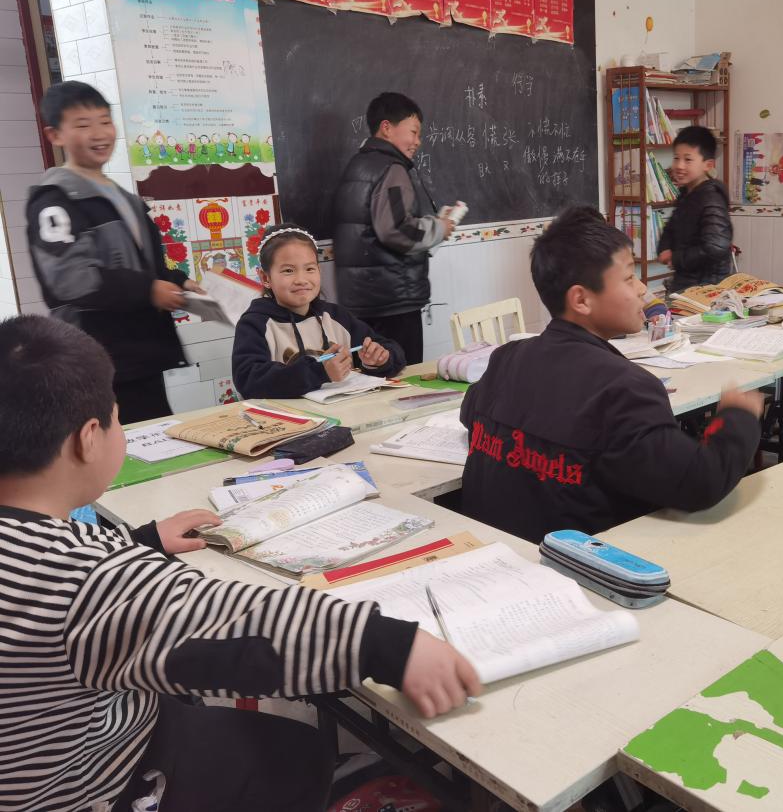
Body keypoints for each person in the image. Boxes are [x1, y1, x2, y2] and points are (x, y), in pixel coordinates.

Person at [0, 314, 479, 812]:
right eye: (117, 419)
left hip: (46, 753)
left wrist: (140, 540)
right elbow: (230, 620)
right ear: (88, 438)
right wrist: (388, 644)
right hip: (96, 780)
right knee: (297, 755)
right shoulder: (82, 578)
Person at [458, 206, 763, 542]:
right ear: (581, 300)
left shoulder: (506, 359)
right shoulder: (624, 389)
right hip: (580, 566)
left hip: (495, 555)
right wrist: (737, 417)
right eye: (629, 277)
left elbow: (469, 410)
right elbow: (701, 482)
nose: (641, 288)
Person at [26, 81, 200, 424]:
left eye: (105, 121)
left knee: (156, 436)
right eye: (82, 124)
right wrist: (149, 290)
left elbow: (141, 265)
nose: (99, 133)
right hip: (99, 359)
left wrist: (178, 281)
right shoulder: (54, 201)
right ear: (55, 135)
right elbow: (70, 278)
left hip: (140, 353)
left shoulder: (121, 197)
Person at [332, 92, 455, 364]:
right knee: (403, 376)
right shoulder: (392, 169)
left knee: (372, 376)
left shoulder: (357, 165)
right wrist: (439, 228)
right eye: (413, 132)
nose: (418, 141)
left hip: (361, 300)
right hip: (392, 301)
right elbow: (397, 230)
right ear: (386, 128)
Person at [232, 225, 405, 399]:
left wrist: (379, 360)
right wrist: (319, 372)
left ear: (319, 271)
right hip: (288, 415)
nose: (301, 280)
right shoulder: (255, 324)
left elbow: (392, 351)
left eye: (309, 269)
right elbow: (248, 380)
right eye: (288, 270)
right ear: (265, 278)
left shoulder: (336, 316)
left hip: (343, 410)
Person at [656, 126, 733, 292]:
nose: (679, 165)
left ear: (708, 165)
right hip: (688, 283)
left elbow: (716, 247)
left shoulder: (711, 198)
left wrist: (676, 258)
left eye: (688, 159)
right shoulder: (687, 193)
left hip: (708, 288)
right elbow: (671, 228)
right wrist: (664, 247)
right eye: (676, 158)